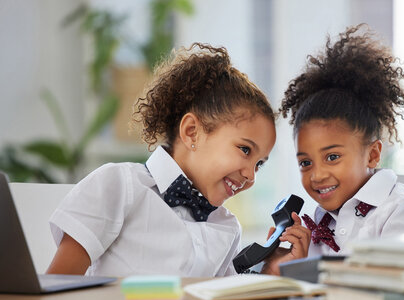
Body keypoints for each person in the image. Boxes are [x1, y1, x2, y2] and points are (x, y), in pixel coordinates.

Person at [46, 43, 308, 277]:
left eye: (259, 164)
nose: (251, 176)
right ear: (192, 132)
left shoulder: (227, 228)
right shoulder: (119, 186)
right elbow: (58, 290)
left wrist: (270, 273)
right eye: (245, 150)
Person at [272, 25, 404, 270]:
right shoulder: (320, 222)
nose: (317, 175)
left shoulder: (400, 210)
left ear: (372, 155)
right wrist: (291, 267)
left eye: (332, 156)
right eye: (305, 163)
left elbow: (401, 286)